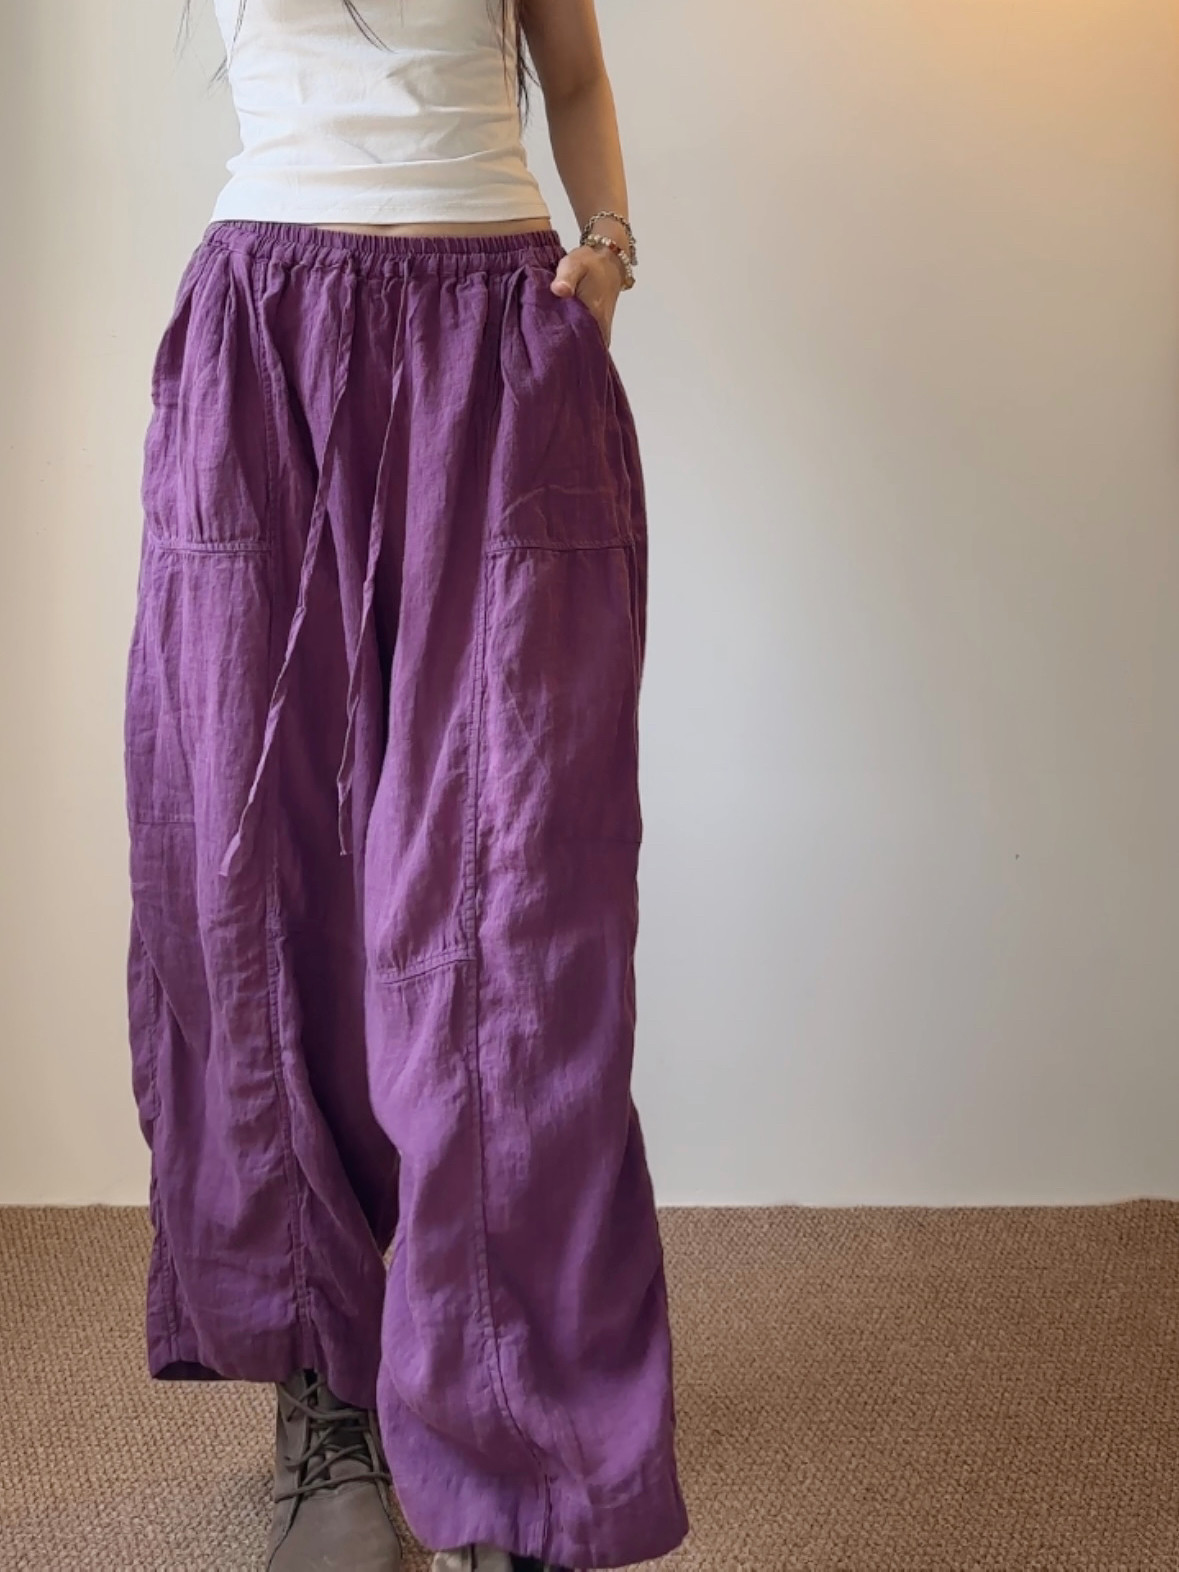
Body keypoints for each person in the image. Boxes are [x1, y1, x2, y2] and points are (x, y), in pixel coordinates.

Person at [123, 0, 689, 1568]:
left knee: (519, 912)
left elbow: (573, 67)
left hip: (496, 340)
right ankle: (332, 1398)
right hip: (265, 341)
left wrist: (609, 243)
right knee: (255, 884)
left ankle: (521, 1441)